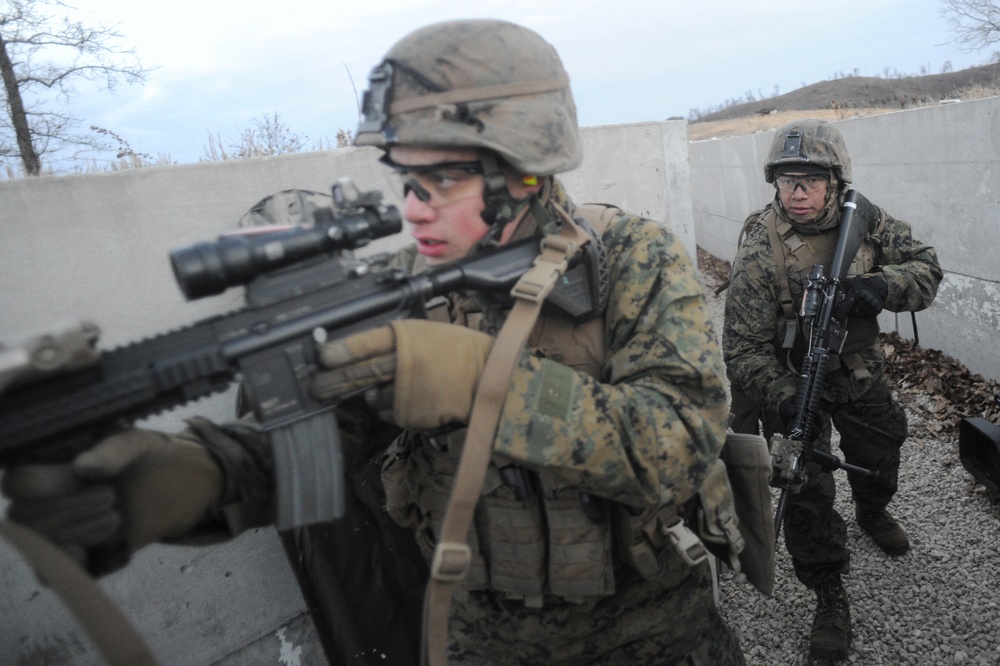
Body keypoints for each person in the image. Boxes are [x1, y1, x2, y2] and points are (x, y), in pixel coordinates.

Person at [2, 19, 745, 665]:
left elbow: (681, 440)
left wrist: (482, 381)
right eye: (405, 182)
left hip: (651, 636)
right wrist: (191, 480)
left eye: (442, 180)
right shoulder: (396, 287)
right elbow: (310, 442)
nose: (414, 210)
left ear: (522, 173)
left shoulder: (633, 257)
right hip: (478, 642)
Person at [722, 118, 942, 661]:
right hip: (795, 381)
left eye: (810, 180)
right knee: (804, 490)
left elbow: (927, 269)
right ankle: (828, 590)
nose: (796, 193)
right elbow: (741, 348)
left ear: (836, 180)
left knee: (883, 445)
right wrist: (781, 393)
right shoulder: (759, 248)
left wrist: (881, 285)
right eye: (786, 180)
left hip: (861, 371)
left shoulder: (865, 220)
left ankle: (873, 509)